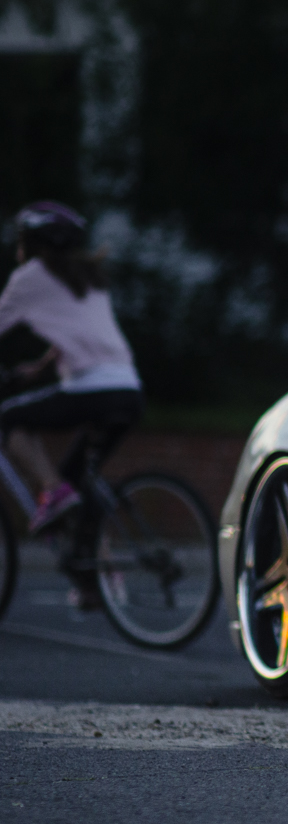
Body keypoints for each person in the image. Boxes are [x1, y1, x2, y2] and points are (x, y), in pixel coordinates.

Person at [0, 202, 142, 607]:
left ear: (32, 244)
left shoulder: (29, 278)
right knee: (79, 481)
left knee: (10, 420)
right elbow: (81, 331)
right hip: (129, 390)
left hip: (90, 389)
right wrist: (41, 367)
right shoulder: (90, 277)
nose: (17, 250)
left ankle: (51, 491)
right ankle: (93, 580)